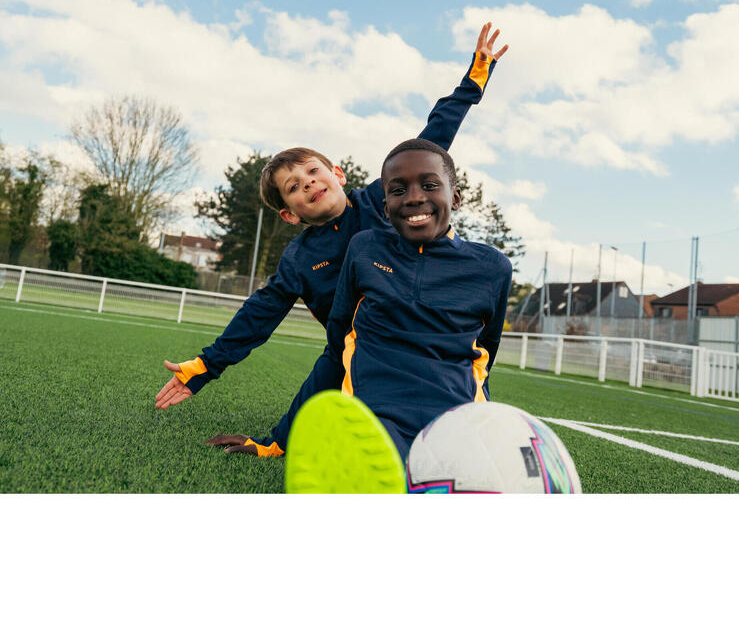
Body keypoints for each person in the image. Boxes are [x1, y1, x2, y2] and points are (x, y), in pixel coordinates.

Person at [155, 24, 509, 457]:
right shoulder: (300, 259)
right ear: (289, 213)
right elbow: (261, 316)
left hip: (437, 349)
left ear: (337, 174)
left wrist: (473, 82)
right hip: (369, 358)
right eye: (292, 186)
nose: (307, 184)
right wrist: (209, 367)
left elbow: (433, 138)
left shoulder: (385, 198)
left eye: (312, 172)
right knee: (342, 372)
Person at [213, 138, 513, 492]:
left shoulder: (492, 266)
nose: (415, 196)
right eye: (293, 186)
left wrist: (471, 88)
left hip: (456, 422)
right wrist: (275, 435)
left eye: (430, 185)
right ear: (385, 208)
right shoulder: (361, 250)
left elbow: (484, 354)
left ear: (456, 197)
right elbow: (330, 343)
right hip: (374, 421)